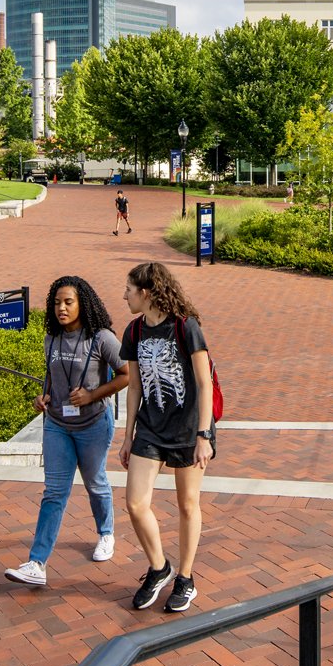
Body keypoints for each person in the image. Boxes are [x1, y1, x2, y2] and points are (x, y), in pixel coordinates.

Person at [5, 277, 128, 587]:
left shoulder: (101, 338)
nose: (61, 308)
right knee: (54, 493)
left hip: (93, 425)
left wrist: (92, 395)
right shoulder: (52, 338)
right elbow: (52, 374)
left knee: (95, 482)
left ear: (82, 304)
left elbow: (127, 374)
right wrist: (44, 396)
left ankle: (106, 533)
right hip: (57, 425)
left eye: (68, 302)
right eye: (57, 303)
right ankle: (37, 563)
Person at [119, 261, 214, 613]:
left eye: (129, 290)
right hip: (150, 427)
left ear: (146, 293)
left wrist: (204, 434)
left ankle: (185, 578)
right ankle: (159, 567)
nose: (125, 296)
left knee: (187, 503)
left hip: (188, 429)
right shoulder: (134, 331)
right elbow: (134, 387)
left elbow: (204, 383)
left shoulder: (185, 327)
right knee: (135, 503)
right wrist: (128, 436)